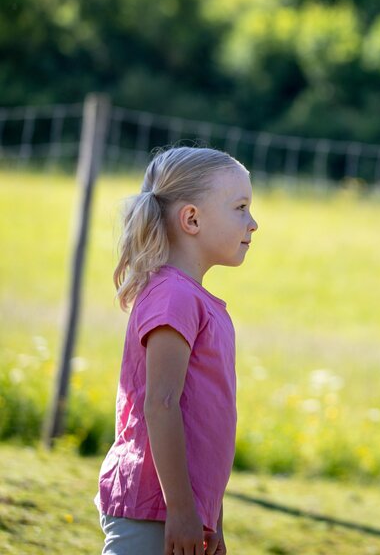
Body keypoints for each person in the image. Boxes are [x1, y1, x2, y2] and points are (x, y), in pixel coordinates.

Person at [95, 146, 258, 555]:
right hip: (154, 509)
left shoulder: (194, 300)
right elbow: (161, 405)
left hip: (181, 510)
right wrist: (182, 510)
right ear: (192, 220)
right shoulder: (174, 297)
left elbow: (202, 424)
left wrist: (210, 516)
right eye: (240, 208)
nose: (253, 223)